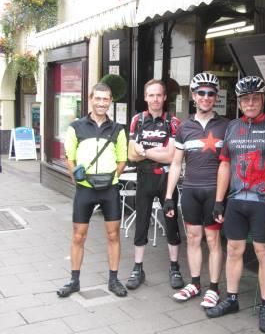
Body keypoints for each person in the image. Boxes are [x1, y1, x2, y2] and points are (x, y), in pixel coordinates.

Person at [206, 76, 265, 333]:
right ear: (239, 102)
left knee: (264, 254)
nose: (250, 103)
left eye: (255, 98)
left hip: (264, 201)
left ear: (263, 99)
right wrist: (219, 200)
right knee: (233, 250)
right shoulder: (232, 127)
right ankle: (231, 298)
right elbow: (225, 165)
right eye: (245, 99)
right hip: (236, 200)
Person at [163, 72, 229, 308]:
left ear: (216, 97)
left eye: (211, 93)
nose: (206, 97)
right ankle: (194, 283)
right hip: (190, 190)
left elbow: (228, 163)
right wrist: (169, 196)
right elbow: (177, 163)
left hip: (214, 192)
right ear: (193, 96)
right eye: (201, 92)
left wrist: (222, 199)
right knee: (193, 238)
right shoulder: (184, 127)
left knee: (213, 239)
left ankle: (213, 288)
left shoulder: (226, 126)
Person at [58, 82, 128, 298]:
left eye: (105, 99)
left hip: (109, 189)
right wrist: (75, 174)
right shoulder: (76, 127)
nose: (101, 103)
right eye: (97, 98)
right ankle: (74, 280)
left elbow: (122, 159)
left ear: (110, 101)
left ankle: (114, 280)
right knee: (78, 236)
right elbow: (69, 157)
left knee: (113, 234)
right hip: (85, 188)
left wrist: (111, 177)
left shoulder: (118, 129)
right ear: (91, 99)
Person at [126, 79, 183, 290]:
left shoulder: (174, 122)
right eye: (151, 95)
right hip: (144, 179)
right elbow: (131, 155)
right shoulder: (137, 120)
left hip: (167, 180)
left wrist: (145, 152)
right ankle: (137, 268)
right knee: (141, 223)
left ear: (165, 97)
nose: (155, 99)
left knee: (171, 223)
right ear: (145, 97)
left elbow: (171, 158)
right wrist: (156, 152)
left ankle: (174, 267)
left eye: (159, 95)